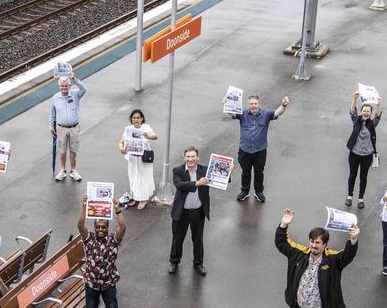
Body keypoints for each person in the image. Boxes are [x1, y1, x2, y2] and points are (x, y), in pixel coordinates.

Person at [169, 147, 232, 277]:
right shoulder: (178, 171)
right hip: (182, 212)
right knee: (177, 239)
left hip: (198, 211)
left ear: (197, 158)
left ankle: (198, 263)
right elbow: (180, 185)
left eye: (193, 156)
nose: (190, 159)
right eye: (188, 157)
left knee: (198, 239)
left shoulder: (205, 170)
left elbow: (221, 179)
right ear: (184, 158)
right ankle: (174, 261)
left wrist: (228, 172)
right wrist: (197, 183)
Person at [77, 195, 126, 308]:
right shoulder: (88, 239)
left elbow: (123, 227)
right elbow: (80, 224)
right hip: (91, 283)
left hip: (108, 283)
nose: (100, 230)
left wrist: (117, 209)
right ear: (94, 227)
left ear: (107, 228)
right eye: (97, 227)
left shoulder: (113, 240)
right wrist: (84, 206)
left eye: (103, 227)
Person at [224, 94, 289, 202]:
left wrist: (283, 105)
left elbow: (278, 112)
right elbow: (232, 112)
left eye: (255, 103)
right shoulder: (243, 114)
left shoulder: (266, 114)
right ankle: (244, 192)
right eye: (251, 104)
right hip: (245, 150)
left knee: (259, 172)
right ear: (248, 104)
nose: (253, 105)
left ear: (259, 104)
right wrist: (226, 104)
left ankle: (259, 192)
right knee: (245, 172)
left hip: (260, 150)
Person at [345, 92, 382, 209]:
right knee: (352, 175)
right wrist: (354, 98)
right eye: (364, 110)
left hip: (367, 155)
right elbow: (352, 111)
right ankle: (349, 196)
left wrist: (379, 103)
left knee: (363, 177)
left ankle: (361, 199)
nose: (366, 112)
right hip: (354, 154)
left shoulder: (372, 123)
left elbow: (379, 115)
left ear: (370, 113)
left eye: (368, 111)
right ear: (362, 111)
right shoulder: (356, 120)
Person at [49, 72, 87, 181]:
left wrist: (74, 78)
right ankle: (62, 171)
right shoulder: (55, 98)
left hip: (74, 127)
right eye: (62, 86)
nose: (64, 88)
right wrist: (51, 127)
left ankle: (73, 171)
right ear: (59, 86)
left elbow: (84, 89)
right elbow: (52, 114)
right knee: (62, 150)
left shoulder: (75, 94)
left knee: (73, 149)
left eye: (66, 85)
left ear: (70, 86)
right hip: (61, 128)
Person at [118, 109, 158, 209]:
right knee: (133, 177)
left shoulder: (145, 127)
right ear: (131, 119)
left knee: (143, 177)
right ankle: (136, 197)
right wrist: (121, 148)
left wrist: (149, 135)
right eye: (134, 118)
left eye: (138, 118)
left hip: (143, 158)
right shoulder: (129, 129)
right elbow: (120, 142)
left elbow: (155, 135)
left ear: (142, 118)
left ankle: (143, 199)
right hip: (132, 158)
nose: (136, 119)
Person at [381, 187, 387, 276]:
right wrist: (384, 199)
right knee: (386, 243)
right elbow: (381, 202)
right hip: (385, 220)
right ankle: (385, 266)